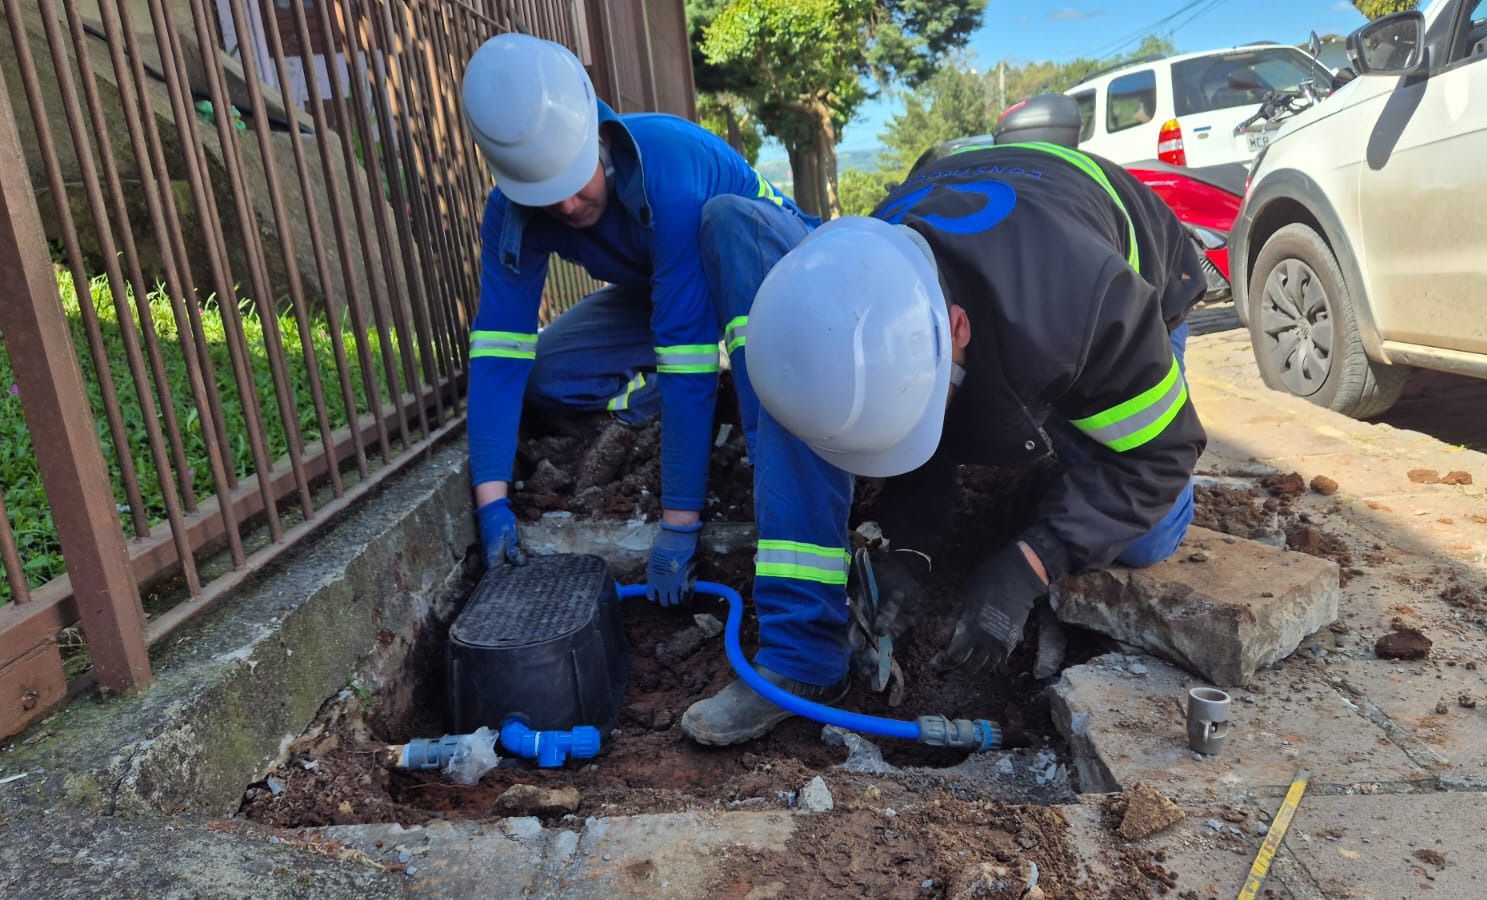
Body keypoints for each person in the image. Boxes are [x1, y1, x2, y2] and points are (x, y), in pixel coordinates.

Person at [680, 140, 1207, 743]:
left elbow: (1161, 453)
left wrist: (1030, 563)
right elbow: (905, 420)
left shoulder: (1083, 305)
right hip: (1003, 279)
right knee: (958, 408)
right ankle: (1032, 462)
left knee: (1145, 533)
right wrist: (910, 547)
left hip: (1137, 274)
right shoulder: (864, 273)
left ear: (956, 326)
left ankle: (1056, 468)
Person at [460, 33, 814, 608]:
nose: (569, 208)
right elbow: (499, 351)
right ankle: (669, 399)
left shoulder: (666, 168)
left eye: (575, 183)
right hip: (664, 285)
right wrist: (492, 504)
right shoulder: (511, 213)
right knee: (548, 374)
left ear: (597, 139)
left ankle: (767, 449)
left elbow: (685, 356)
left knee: (731, 373)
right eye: (548, 197)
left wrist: (678, 524)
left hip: (767, 268)